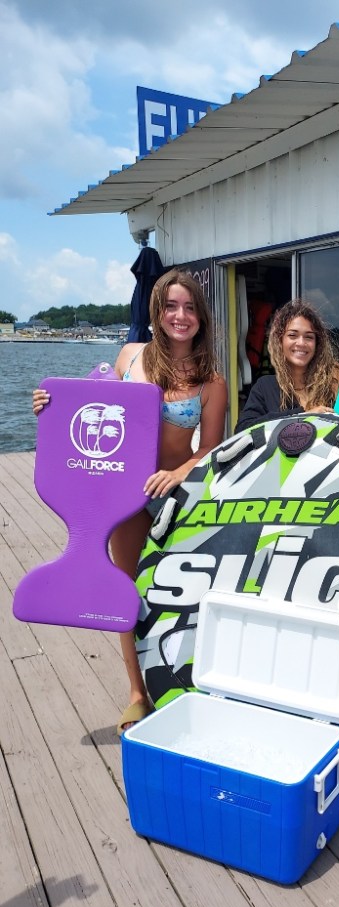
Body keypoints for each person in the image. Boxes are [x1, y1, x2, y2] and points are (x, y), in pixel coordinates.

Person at [33, 268, 228, 735]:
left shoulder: (211, 380)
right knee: (127, 589)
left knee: (184, 589)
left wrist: (177, 472)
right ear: (157, 311)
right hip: (122, 494)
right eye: (170, 306)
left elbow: (210, 449)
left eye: (189, 308)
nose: (180, 316)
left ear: (201, 317)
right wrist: (49, 405)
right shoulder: (130, 357)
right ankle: (137, 693)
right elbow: (84, 405)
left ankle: (183, 678)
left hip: (176, 496)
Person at [234, 299, 339, 432]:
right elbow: (242, 430)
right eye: (292, 335)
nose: (301, 343)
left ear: (317, 344)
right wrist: (303, 416)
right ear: (280, 341)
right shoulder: (265, 387)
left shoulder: (334, 383)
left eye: (309, 337)